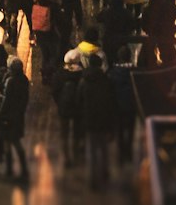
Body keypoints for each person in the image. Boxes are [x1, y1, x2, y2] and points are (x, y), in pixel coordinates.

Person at [79, 53, 118, 189]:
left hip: (89, 119)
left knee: (92, 149)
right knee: (103, 148)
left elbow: (79, 101)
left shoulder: (84, 81)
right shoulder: (107, 80)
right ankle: (104, 173)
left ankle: (93, 179)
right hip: (103, 119)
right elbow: (111, 102)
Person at [0, 58, 31, 183]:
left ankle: (9, 170)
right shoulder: (24, 80)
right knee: (16, 142)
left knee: (8, 143)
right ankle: (24, 169)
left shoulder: (10, 81)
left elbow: (6, 100)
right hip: (18, 116)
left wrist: (0, 115)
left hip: (8, 116)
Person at [52, 48, 86, 167]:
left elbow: (54, 91)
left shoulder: (60, 73)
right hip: (77, 107)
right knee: (76, 132)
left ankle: (66, 157)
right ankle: (76, 155)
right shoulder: (82, 74)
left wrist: (59, 102)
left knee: (64, 133)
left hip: (64, 106)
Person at [140, 0, 176, 68]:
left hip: (153, 36)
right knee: (171, 60)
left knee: (149, 59)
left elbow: (143, 23)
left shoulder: (148, 9)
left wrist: (148, 31)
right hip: (167, 35)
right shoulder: (169, 5)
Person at [107, 45, 138, 165]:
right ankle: (128, 153)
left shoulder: (113, 73)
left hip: (117, 106)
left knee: (119, 130)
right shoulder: (135, 71)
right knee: (130, 130)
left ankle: (120, 154)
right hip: (131, 106)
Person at [31, 0, 64, 82]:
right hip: (51, 32)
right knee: (53, 54)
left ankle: (44, 75)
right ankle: (51, 74)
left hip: (39, 33)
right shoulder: (55, 4)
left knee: (45, 54)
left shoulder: (37, 3)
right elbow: (60, 20)